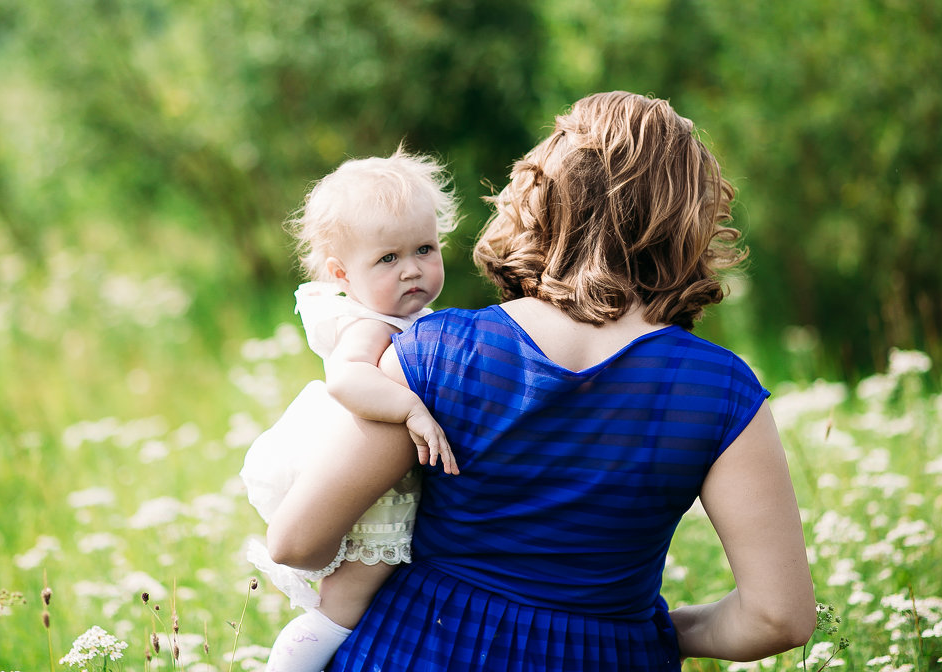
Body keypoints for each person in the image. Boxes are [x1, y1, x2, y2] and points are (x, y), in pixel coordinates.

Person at [266, 91, 817, 671]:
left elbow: (296, 542)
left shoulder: (437, 352)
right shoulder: (722, 391)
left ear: (544, 198)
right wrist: (637, 632)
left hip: (419, 648)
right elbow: (778, 617)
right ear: (688, 219)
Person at [239, 148, 461, 672]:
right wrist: (410, 409)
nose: (412, 270)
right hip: (371, 490)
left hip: (383, 477)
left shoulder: (408, 316)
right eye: (388, 259)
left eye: (424, 249)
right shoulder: (369, 323)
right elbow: (346, 378)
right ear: (341, 273)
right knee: (344, 604)